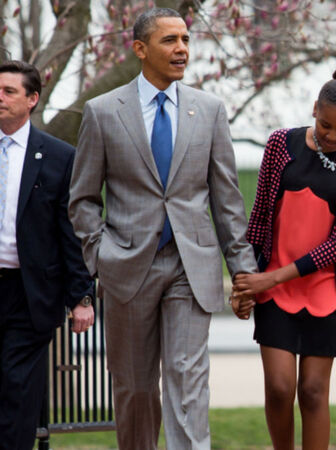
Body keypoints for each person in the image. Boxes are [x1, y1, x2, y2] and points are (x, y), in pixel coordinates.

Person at [68, 8, 257, 450]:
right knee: (134, 388)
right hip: (127, 267)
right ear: (140, 49)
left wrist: (242, 270)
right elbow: (82, 199)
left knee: (186, 379)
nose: (182, 49)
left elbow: (226, 198)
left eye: (186, 39)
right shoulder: (102, 112)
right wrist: (101, 254)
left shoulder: (209, 110)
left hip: (191, 265)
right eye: (170, 40)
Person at [231, 69, 336, 449]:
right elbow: (260, 215)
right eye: (325, 124)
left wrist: (271, 278)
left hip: (324, 288)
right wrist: (247, 279)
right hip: (273, 284)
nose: (331, 136)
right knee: (279, 388)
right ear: (314, 109)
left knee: (312, 391)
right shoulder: (282, 144)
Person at [0, 61, 95, 450]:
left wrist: (81, 297)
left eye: (8, 91)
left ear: (32, 99)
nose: (0, 98)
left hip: (30, 294)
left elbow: (71, 232)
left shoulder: (59, 156)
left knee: (18, 391)